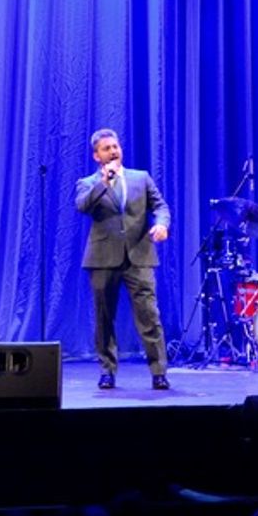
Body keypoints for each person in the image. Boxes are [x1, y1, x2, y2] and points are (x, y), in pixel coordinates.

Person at [74, 128, 171, 390]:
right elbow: (82, 206)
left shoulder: (141, 178)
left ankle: (159, 372)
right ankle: (107, 370)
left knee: (149, 315)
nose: (113, 151)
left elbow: (160, 206)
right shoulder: (88, 183)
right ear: (97, 156)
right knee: (104, 317)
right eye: (106, 148)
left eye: (115, 146)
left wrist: (162, 224)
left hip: (139, 256)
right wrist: (103, 183)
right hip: (102, 258)